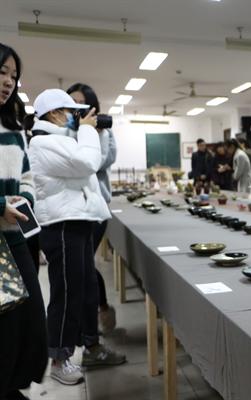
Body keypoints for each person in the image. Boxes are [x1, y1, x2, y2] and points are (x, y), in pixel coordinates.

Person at [28, 88, 126, 386]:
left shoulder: (63, 140)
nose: (77, 117)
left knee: (85, 290)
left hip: (78, 222)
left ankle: (86, 347)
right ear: (54, 114)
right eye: (72, 112)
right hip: (61, 226)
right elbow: (87, 164)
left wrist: (90, 132)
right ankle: (59, 360)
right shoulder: (42, 143)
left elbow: (93, 162)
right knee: (66, 294)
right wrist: (86, 131)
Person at [0, 42, 48, 400]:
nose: (8, 82)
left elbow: (28, 177)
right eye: (2, 72)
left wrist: (25, 198)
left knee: (29, 321)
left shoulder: (13, 127)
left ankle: (11, 386)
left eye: (13, 76)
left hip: (15, 236)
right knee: (5, 323)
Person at [67, 82, 118, 334]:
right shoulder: (65, 129)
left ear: (92, 106)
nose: (77, 108)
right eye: (72, 103)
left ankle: (99, 314)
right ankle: (95, 319)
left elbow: (98, 162)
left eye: (81, 103)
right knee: (81, 266)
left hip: (96, 207)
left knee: (86, 264)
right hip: (71, 207)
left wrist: (92, 132)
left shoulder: (101, 130)